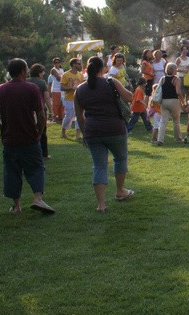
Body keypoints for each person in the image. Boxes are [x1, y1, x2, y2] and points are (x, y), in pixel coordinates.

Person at [0, 58, 54, 214]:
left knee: (12, 171)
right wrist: (39, 132)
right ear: (24, 71)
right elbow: (41, 115)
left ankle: (16, 206)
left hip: (10, 139)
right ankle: (38, 198)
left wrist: (3, 128)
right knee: (36, 167)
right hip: (29, 137)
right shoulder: (31, 88)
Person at [74, 56, 134, 212]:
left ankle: (101, 204)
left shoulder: (80, 89)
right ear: (103, 68)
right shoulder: (110, 82)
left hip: (92, 131)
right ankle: (120, 191)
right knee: (120, 159)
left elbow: (79, 115)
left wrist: (85, 134)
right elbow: (129, 97)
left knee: (99, 166)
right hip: (115, 128)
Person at [156, 62, 185, 145]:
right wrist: (183, 101)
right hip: (174, 101)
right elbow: (178, 92)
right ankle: (178, 138)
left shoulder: (162, 79)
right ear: (173, 70)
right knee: (176, 121)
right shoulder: (176, 79)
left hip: (164, 101)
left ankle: (160, 139)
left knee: (163, 121)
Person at [27, 63, 51, 159]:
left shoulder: (26, 81)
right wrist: (51, 111)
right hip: (40, 108)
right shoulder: (42, 83)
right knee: (42, 131)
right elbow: (47, 97)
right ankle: (44, 153)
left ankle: (30, 152)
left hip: (28, 109)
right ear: (40, 72)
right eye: (43, 72)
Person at [60, 57, 84, 141]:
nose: (80, 65)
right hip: (69, 99)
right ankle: (63, 132)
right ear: (73, 64)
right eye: (78, 63)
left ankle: (78, 135)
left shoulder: (80, 75)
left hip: (78, 98)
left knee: (79, 116)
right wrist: (71, 88)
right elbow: (62, 87)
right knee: (69, 116)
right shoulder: (66, 74)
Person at [49, 57, 64, 122]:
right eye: (55, 62)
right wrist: (65, 79)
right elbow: (58, 78)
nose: (57, 64)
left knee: (62, 104)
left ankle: (61, 116)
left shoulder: (61, 70)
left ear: (60, 63)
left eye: (58, 62)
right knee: (56, 104)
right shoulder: (53, 70)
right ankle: (55, 117)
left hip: (61, 89)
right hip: (55, 89)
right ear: (53, 63)